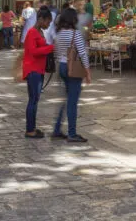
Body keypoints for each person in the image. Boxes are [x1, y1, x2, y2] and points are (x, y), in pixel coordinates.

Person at [51, 8, 92, 142]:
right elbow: (82, 53)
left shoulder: (58, 34)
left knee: (67, 99)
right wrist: (87, 73)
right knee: (72, 102)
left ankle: (57, 129)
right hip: (73, 69)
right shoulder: (75, 34)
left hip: (62, 67)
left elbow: (56, 53)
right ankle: (72, 133)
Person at [22, 10, 55, 138]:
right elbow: (34, 51)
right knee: (33, 100)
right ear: (41, 19)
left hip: (38, 69)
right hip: (33, 69)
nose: (48, 25)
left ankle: (32, 127)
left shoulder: (40, 32)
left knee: (35, 99)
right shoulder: (32, 32)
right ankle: (30, 130)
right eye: (47, 22)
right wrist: (50, 48)